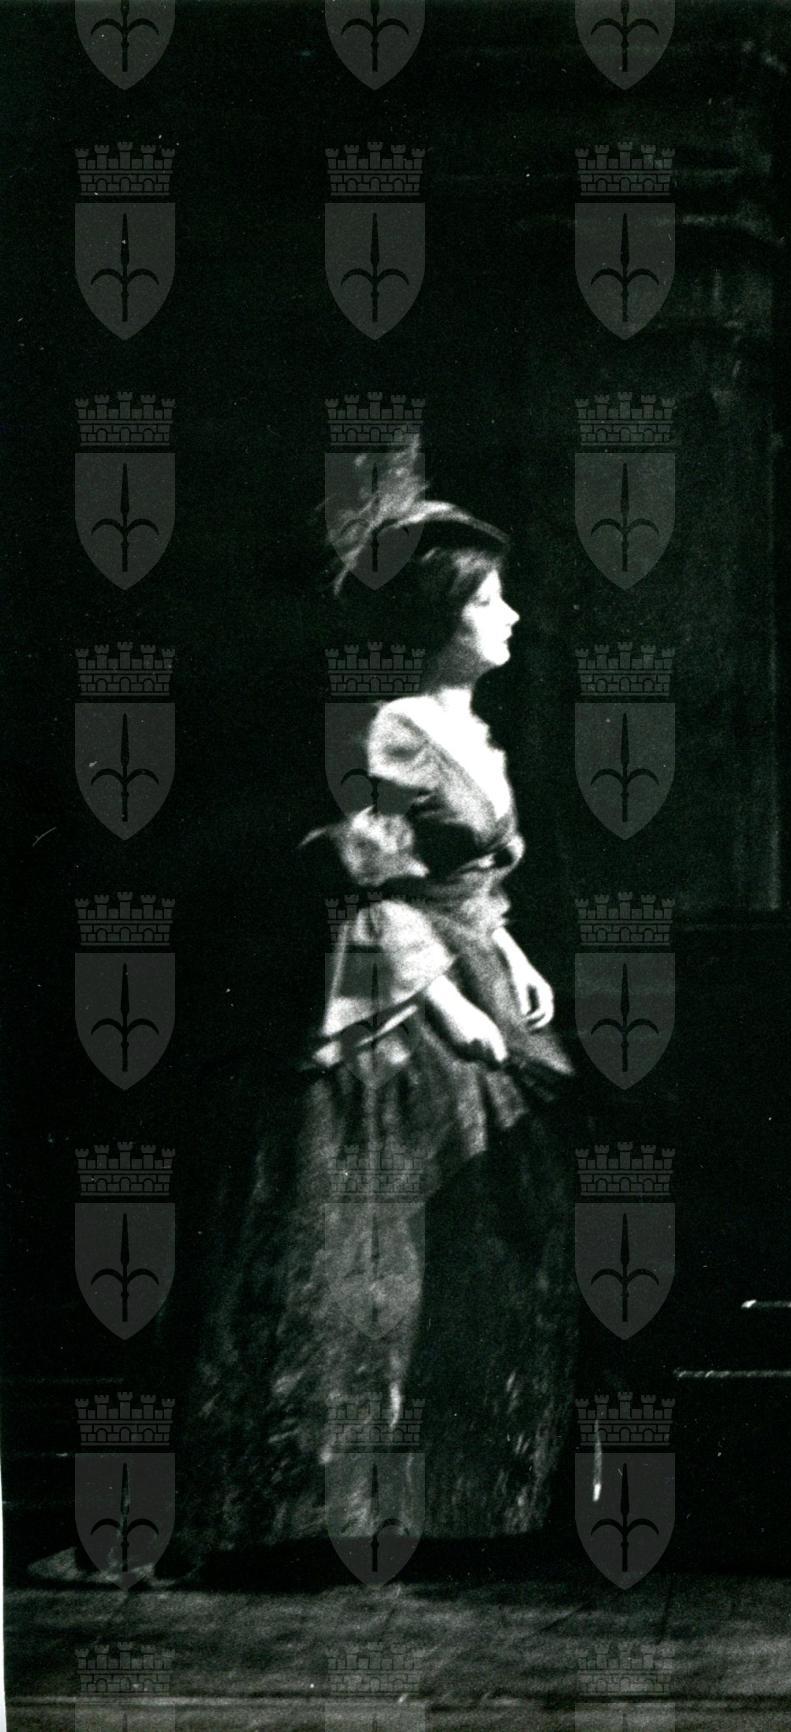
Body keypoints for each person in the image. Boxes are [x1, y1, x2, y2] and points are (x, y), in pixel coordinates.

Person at [162, 449, 577, 1578]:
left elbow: (469, 876)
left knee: (473, 1250)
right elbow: (367, 884)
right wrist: (448, 1004)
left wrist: (511, 955)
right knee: (370, 1254)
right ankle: (333, 1506)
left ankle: (450, 1501)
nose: (510, 616)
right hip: (388, 1002)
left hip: (468, 969)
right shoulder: (391, 727)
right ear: (441, 618)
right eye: (489, 600)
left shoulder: (470, 729)